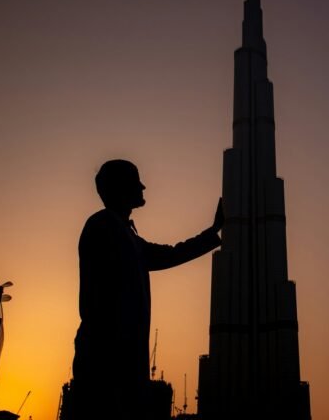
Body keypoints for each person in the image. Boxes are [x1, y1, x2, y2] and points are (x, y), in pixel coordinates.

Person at [71, 159, 222, 419]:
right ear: (120, 188)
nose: (143, 188)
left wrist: (214, 230)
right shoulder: (103, 226)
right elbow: (103, 303)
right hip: (108, 359)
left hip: (120, 359)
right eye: (135, 182)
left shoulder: (125, 235)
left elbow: (169, 254)